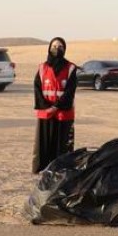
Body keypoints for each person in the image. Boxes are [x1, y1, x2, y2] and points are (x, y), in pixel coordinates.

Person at [32, 36, 78, 173]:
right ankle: (42, 169)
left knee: (62, 144)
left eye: (60, 47)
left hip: (63, 112)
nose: (57, 49)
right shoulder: (42, 68)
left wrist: (56, 106)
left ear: (64, 49)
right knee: (44, 142)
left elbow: (70, 91)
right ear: (49, 48)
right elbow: (37, 89)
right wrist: (47, 107)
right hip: (45, 111)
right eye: (54, 46)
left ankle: (61, 170)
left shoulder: (70, 68)